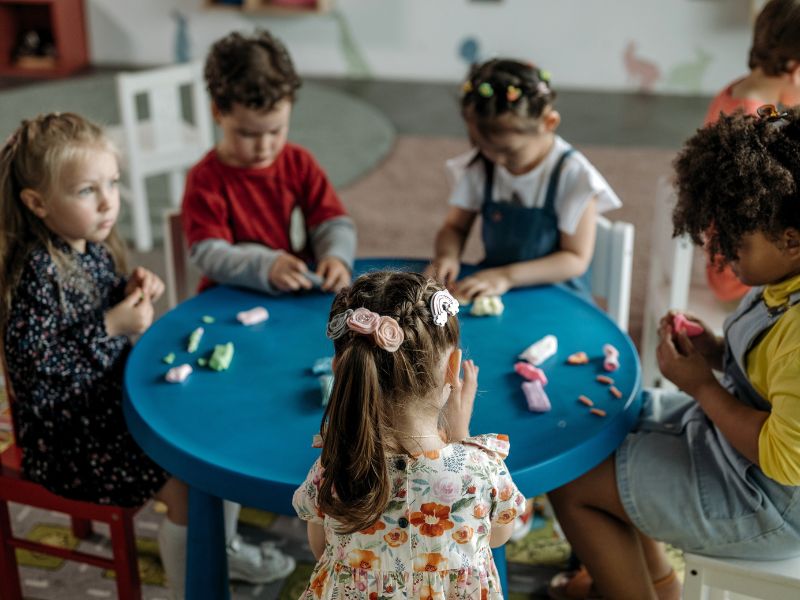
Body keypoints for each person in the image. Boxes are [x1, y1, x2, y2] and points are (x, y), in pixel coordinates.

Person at [0, 113, 292, 600]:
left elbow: (98, 299)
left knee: (213, 436)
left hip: (109, 401)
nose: (108, 201)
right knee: (187, 483)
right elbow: (36, 364)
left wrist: (132, 286)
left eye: (111, 183)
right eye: (86, 191)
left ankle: (222, 545)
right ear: (38, 203)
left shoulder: (87, 245)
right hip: (66, 437)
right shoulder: (35, 273)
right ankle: (193, 587)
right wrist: (111, 326)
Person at [546, 107, 800, 600]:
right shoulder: (782, 279)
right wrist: (715, 353)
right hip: (736, 453)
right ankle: (658, 585)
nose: (723, 254)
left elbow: (783, 459)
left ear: (791, 241)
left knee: (574, 484)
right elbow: (772, 379)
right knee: (601, 428)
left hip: (771, 504)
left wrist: (701, 385)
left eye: (736, 244)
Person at [292, 271, 525, 599]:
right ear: (451, 370)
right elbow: (499, 535)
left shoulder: (333, 470)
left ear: (339, 369)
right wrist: (460, 436)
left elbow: (321, 550)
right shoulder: (482, 470)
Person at [425, 59, 621, 303]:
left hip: (558, 295)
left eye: (508, 151)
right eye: (484, 147)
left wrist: (507, 277)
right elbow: (455, 227)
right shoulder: (482, 166)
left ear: (549, 124)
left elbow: (575, 258)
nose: (497, 159)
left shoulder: (572, 176)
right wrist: (447, 255)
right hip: (495, 288)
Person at [182, 29, 356, 295]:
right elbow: (209, 254)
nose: (264, 146)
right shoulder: (205, 178)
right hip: (227, 295)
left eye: (276, 131)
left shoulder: (299, 162)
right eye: (247, 134)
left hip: (288, 288)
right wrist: (266, 265)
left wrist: (335, 256)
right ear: (218, 112)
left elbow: (331, 221)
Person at [702, 0, 800, 303]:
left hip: (734, 257)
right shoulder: (750, 124)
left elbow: (779, 118)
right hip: (747, 277)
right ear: (795, 69)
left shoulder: (740, 94)